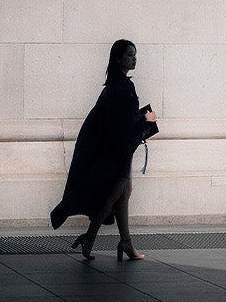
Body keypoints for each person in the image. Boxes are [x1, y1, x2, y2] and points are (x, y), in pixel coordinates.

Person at [49, 38, 158, 260]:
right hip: (116, 153)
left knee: (123, 193)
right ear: (118, 58)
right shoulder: (121, 88)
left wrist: (137, 126)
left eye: (135, 54)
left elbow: (116, 122)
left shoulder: (116, 86)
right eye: (129, 54)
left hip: (116, 151)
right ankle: (92, 238)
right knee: (114, 195)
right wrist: (145, 119)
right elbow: (122, 124)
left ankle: (125, 243)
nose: (134, 58)